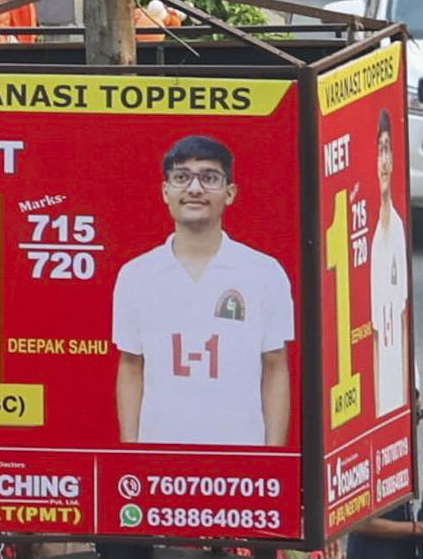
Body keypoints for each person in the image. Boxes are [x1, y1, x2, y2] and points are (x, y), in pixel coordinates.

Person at [112, 133, 296, 449]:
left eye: (209, 178)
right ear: (165, 191)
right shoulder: (135, 275)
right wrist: (133, 450)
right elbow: (130, 366)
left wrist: (271, 458)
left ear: (229, 192)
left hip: (241, 455)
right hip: (162, 454)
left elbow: (276, 367)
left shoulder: (264, 273)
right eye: (182, 177)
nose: (195, 189)